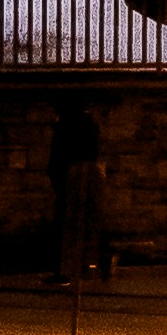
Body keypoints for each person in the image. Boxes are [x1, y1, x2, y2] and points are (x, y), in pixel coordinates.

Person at [50, 94, 112, 286]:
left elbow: (64, 153)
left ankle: (69, 270)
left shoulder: (73, 124)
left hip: (73, 177)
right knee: (85, 223)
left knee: (72, 224)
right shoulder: (87, 123)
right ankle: (94, 263)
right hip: (77, 176)